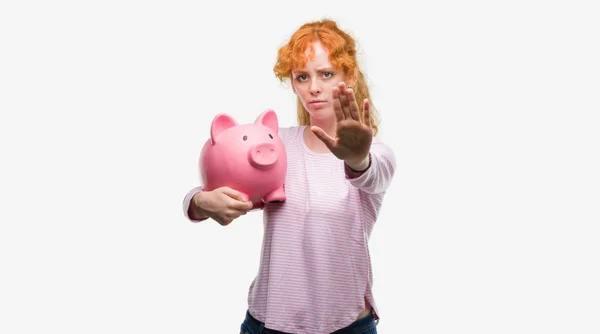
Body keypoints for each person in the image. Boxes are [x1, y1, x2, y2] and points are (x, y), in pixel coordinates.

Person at [182, 19, 396, 334]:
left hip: (346, 326)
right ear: (293, 83)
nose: (314, 87)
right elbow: (202, 193)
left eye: (326, 73)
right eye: (302, 77)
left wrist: (356, 158)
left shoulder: (378, 153)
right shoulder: (274, 146)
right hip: (268, 323)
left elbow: (372, 175)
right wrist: (202, 201)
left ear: (349, 75)